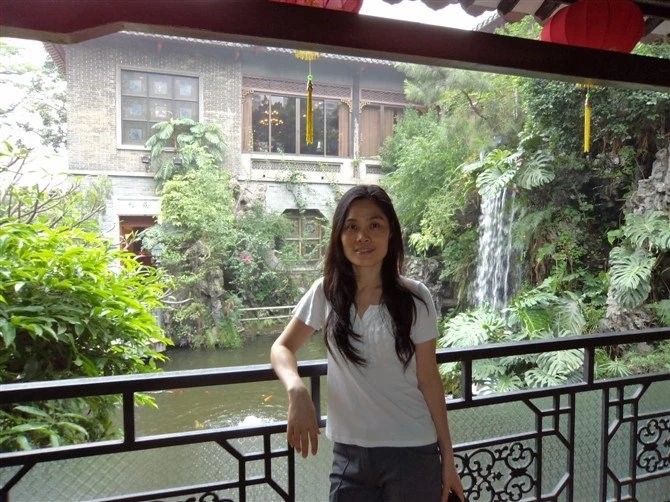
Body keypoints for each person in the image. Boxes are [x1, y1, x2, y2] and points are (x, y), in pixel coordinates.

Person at [271, 185, 464, 502]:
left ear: (391, 234)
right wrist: (297, 390)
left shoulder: (415, 298)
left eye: (375, 225)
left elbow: (429, 378)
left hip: (412, 453)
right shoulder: (327, 293)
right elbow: (282, 348)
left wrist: (448, 458)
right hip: (349, 455)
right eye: (352, 227)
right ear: (339, 236)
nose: (362, 237)